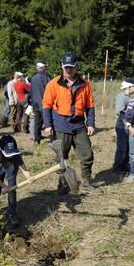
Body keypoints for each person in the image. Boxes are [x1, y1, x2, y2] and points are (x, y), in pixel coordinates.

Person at [43, 52, 95, 193]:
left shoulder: (85, 84)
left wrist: (90, 123)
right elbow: (46, 105)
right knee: (61, 155)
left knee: (87, 153)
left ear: (76, 66)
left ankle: (86, 182)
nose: (68, 70)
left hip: (79, 124)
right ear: (61, 67)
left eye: (71, 67)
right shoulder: (53, 84)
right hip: (60, 123)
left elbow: (90, 106)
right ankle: (63, 183)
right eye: (66, 67)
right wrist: (48, 125)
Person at [0, 134, 31, 230]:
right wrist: (3, 186)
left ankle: (12, 214)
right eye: (8, 154)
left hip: (11, 168)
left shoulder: (16, 156)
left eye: (12, 154)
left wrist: (29, 177)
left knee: (12, 188)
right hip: (0, 167)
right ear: (2, 150)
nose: (11, 156)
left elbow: (24, 169)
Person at [112, 78, 134, 173]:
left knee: (127, 146)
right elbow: (120, 111)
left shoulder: (128, 97)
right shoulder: (122, 96)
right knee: (122, 147)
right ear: (129, 87)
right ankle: (117, 167)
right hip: (122, 125)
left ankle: (124, 165)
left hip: (127, 124)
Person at [30, 62, 50, 144]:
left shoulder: (33, 78)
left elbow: (30, 91)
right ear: (43, 68)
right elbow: (50, 90)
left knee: (37, 122)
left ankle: (36, 139)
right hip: (44, 103)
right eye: (45, 67)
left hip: (35, 103)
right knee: (49, 120)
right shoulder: (46, 77)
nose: (46, 68)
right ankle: (53, 137)